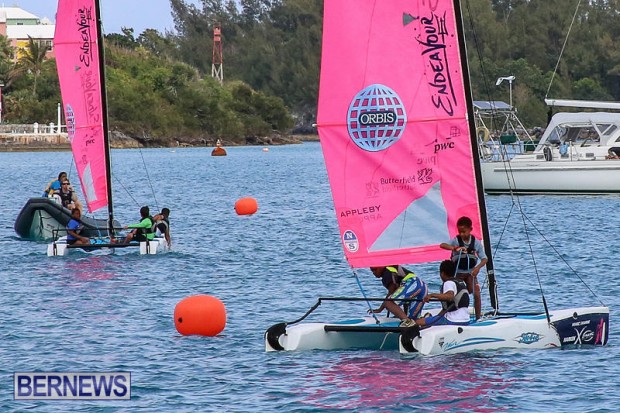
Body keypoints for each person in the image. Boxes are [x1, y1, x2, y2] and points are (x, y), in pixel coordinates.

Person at [440, 216, 487, 320]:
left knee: (477, 293)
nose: (461, 234)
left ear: (470, 229)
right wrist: (454, 248)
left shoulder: (476, 243)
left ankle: (478, 318)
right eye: (459, 232)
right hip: (457, 274)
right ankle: (448, 314)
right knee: (455, 295)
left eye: (464, 232)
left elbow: (484, 259)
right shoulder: (456, 241)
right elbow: (442, 245)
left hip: (470, 273)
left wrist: (477, 268)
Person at [415, 260, 471, 327]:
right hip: (466, 320)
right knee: (433, 319)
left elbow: (449, 296)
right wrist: (436, 318)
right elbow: (446, 309)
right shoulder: (461, 282)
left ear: (442, 273)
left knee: (417, 322)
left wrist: (432, 295)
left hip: (453, 320)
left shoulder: (448, 283)